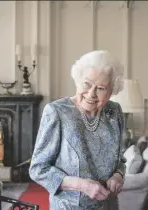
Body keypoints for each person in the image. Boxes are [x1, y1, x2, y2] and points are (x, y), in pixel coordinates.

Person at [29, 50, 126, 210]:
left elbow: (120, 159)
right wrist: (81, 185)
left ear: (112, 90)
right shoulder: (57, 112)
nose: (91, 94)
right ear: (78, 80)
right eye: (87, 84)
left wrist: (117, 176)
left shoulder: (114, 112)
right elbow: (38, 169)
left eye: (101, 88)